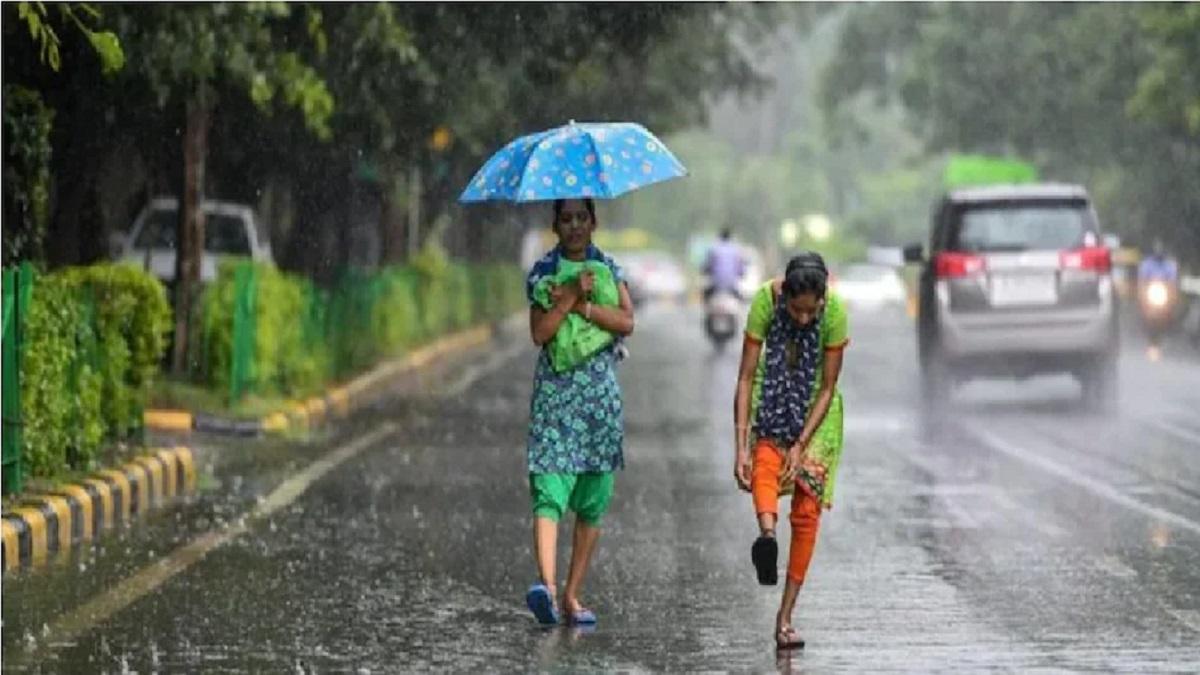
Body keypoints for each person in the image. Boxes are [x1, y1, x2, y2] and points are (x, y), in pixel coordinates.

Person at [523, 198, 635, 627]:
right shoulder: (543, 273)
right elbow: (540, 333)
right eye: (566, 219)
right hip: (555, 399)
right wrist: (568, 295)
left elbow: (626, 322)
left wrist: (586, 306)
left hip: (598, 402)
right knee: (548, 488)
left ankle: (572, 595)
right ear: (555, 225)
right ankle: (548, 590)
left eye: (581, 218)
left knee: (593, 499)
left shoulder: (608, 268)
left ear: (593, 222)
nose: (574, 226)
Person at [732, 251, 849, 650]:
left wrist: (800, 445)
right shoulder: (764, 302)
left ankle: (785, 618)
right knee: (763, 463)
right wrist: (740, 446)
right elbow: (746, 376)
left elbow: (828, 387)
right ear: (784, 296)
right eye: (795, 310)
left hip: (818, 411)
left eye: (810, 311)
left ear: (822, 299)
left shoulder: (836, 314)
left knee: (806, 511)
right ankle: (767, 537)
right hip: (773, 394)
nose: (802, 318)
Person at [704, 228, 747, 301]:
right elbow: (741, 269)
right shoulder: (736, 249)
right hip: (731, 284)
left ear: (720, 237)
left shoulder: (714, 248)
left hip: (716, 284)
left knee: (706, 297)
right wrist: (741, 273)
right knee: (741, 299)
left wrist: (706, 271)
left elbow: (708, 266)